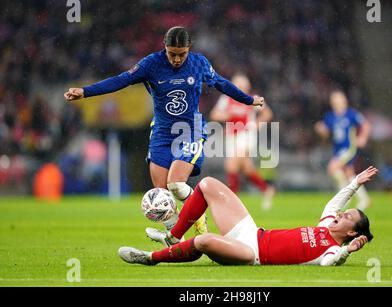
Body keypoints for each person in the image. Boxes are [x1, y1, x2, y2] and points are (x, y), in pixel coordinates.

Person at [64, 26, 264, 234]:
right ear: (164, 48)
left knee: (176, 184)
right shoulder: (151, 64)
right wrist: (85, 92)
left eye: (181, 54)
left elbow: (222, 83)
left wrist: (248, 100)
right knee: (160, 195)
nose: (176, 60)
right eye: (172, 54)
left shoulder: (199, 63)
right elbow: (121, 80)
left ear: (189, 49)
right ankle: (175, 236)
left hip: (190, 130)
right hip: (161, 132)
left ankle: (199, 218)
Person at [118, 166, 377, 266]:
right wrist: (355, 183)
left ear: (352, 232)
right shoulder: (326, 225)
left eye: (347, 217)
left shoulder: (330, 251)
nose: (340, 214)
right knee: (207, 184)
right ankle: (174, 237)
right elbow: (334, 203)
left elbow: (329, 264)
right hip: (252, 233)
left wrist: (348, 251)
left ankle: (151, 258)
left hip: (249, 253)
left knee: (204, 240)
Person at [209, 73, 275, 210]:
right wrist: (226, 115)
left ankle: (232, 202)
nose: (241, 88)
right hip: (231, 136)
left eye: (243, 85)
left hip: (246, 134)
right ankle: (266, 189)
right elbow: (214, 115)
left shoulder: (252, 99)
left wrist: (257, 124)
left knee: (231, 164)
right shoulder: (226, 99)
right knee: (246, 168)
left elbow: (267, 113)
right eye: (238, 85)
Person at [315, 90, 372, 210]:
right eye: (335, 100)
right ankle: (364, 199)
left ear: (344, 101)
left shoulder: (351, 114)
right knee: (348, 173)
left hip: (348, 148)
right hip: (337, 149)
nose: (337, 103)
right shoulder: (330, 116)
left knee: (332, 168)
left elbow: (365, 125)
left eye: (339, 100)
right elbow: (326, 133)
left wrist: (362, 137)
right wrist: (320, 129)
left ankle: (344, 199)